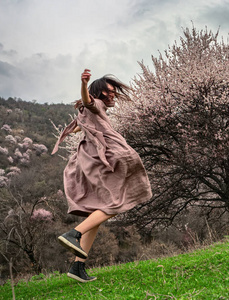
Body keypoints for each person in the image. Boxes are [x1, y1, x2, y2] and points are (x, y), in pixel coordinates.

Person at [52, 69, 152, 283]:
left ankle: (78, 266)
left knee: (98, 213)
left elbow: (84, 116)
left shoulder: (88, 113)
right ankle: (74, 233)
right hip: (106, 159)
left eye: (114, 91)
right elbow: (89, 102)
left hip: (90, 162)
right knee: (114, 204)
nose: (113, 94)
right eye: (110, 91)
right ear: (99, 93)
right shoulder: (95, 104)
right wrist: (84, 83)